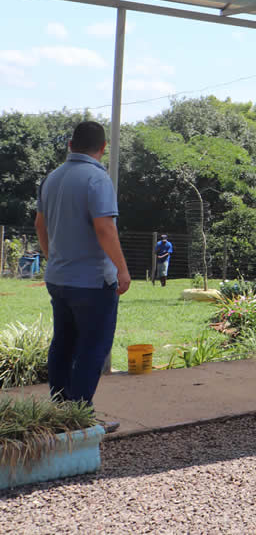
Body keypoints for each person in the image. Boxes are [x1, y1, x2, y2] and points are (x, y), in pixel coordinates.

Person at [34, 120, 129, 426]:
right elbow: (104, 226)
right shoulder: (97, 179)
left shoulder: (52, 178)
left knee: (63, 344)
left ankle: (60, 413)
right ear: (103, 148)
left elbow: (40, 224)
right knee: (92, 348)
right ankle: (79, 418)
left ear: (70, 145)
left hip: (58, 278)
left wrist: (53, 257)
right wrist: (122, 270)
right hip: (91, 283)